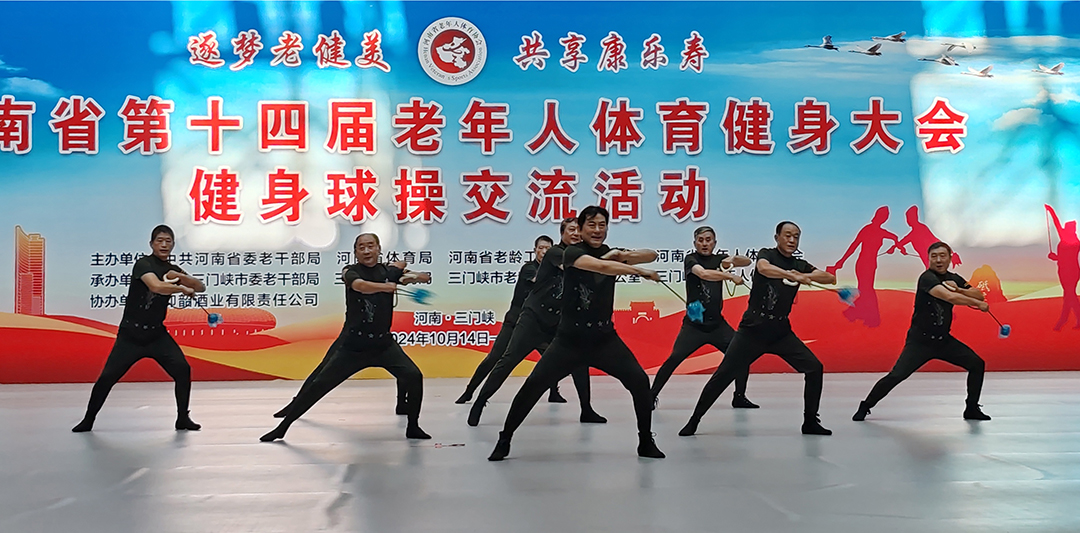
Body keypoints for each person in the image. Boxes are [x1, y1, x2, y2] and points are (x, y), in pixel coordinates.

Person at [488, 206, 664, 461]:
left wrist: (621, 255)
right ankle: (505, 439)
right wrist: (637, 270)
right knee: (532, 387)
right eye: (591, 225)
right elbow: (601, 268)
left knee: (639, 381)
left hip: (604, 339)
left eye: (602, 225)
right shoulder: (572, 252)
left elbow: (651, 254)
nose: (597, 230)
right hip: (569, 341)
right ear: (580, 229)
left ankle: (645, 441)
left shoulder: (608, 253)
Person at [260, 233, 432, 442]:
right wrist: (386, 286)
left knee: (414, 376)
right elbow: (361, 286)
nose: (367, 251)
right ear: (355, 252)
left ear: (379, 249)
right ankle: (282, 428)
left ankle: (413, 426)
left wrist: (415, 276)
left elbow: (406, 270)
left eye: (371, 246)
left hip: (384, 344)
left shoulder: (388, 271)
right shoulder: (350, 272)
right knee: (319, 385)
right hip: (354, 346)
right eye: (362, 247)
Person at [679, 221, 836, 437]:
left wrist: (806, 276)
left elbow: (830, 278)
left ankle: (810, 422)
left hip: (780, 332)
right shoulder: (767, 255)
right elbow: (763, 268)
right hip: (752, 330)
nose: (792, 240)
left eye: (796, 236)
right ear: (777, 237)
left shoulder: (800, 264)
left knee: (814, 368)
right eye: (787, 235)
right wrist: (791, 275)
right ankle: (694, 420)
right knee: (723, 376)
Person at [467, 218, 601, 427]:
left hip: (557, 323)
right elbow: (576, 264)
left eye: (578, 230)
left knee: (579, 362)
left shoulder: (583, 256)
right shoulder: (556, 253)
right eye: (571, 229)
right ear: (562, 233)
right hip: (533, 319)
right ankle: (479, 402)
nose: (576, 233)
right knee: (508, 360)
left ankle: (587, 409)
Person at [72, 225, 205, 432]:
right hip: (131, 336)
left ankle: (182, 418)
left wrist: (182, 277)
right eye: (159, 240)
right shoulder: (143, 264)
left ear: (173, 245)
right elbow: (156, 286)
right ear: (151, 244)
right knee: (107, 378)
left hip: (156, 335)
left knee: (183, 370)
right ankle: (88, 420)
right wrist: (181, 287)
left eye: (168, 241)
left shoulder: (173, 270)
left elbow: (201, 287)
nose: (164, 244)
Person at [853, 242, 992, 421]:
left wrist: (959, 288)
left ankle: (971, 408)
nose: (938, 260)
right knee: (897, 375)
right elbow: (949, 296)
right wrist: (977, 303)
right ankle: (866, 405)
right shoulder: (927, 278)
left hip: (943, 341)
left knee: (976, 364)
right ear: (928, 259)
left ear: (950, 258)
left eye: (942, 256)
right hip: (920, 342)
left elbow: (978, 294)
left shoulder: (954, 278)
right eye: (934, 256)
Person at [650, 226, 757, 409]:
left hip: (717, 325)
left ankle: (739, 397)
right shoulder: (691, 259)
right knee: (673, 360)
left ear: (715, 243)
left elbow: (746, 262)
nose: (705, 243)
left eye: (708, 240)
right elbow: (703, 274)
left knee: (741, 356)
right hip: (694, 326)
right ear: (695, 243)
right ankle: (650, 397)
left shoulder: (719, 260)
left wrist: (732, 260)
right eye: (701, 240)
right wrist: (729, 276)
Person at [456, 235, 569, 405]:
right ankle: (469, 392)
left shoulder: (556, 273)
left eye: (548, 248)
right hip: (515, 322)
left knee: (550, 360)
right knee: (494, 358)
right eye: (541, 248)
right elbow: (538, 280)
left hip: (539, 325)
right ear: (535, 250)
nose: (544, 252)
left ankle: (554, 392)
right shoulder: (529, 268)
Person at [827, 206, 901, 328]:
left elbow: (895, 238)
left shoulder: (881, 232)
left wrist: (894, 247)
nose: (884, 218)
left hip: (871, 264)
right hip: (863, 264)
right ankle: (870, 318)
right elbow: (854, 246)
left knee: (866, 289)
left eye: (885, 216)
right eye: (883, 216)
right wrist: (841, 262)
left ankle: (861, 315)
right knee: (867, 290)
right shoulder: (867, 229)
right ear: (878, 216)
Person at [1045, 204, 1080, 331]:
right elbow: (1066, 258)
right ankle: (1071, 320)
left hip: (1068, 272)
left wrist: (1051, 210)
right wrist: (1056, 257)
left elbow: (1056, 223)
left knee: (1069, 295)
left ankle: (1062, 321)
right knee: (1070, 295)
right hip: (1070, 271)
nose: (1063, 228)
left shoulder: (1067, 239)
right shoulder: (1075, 241)